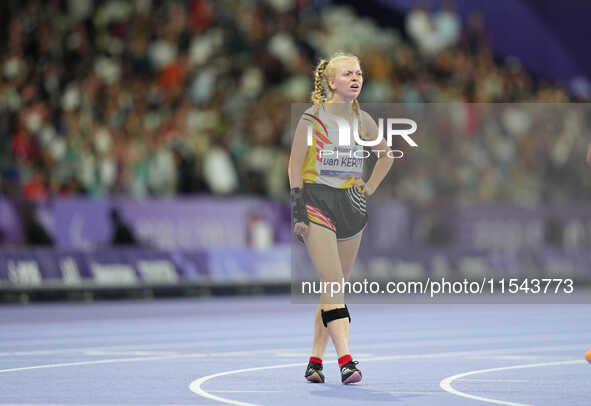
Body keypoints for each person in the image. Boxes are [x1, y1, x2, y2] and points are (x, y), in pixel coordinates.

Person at [288, 53, 394, 384]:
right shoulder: (312, 117)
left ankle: (314, 361)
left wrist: (370, 188)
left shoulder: (362, 119)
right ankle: (346, 360)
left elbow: (386, 155)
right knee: (333, 282)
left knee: (334, 286)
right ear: (331, 82)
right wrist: (298, 207)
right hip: (318, 200)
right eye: (348, 73)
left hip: (351, 202)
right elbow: (294, 166)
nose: (356, 77)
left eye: (359, 73)